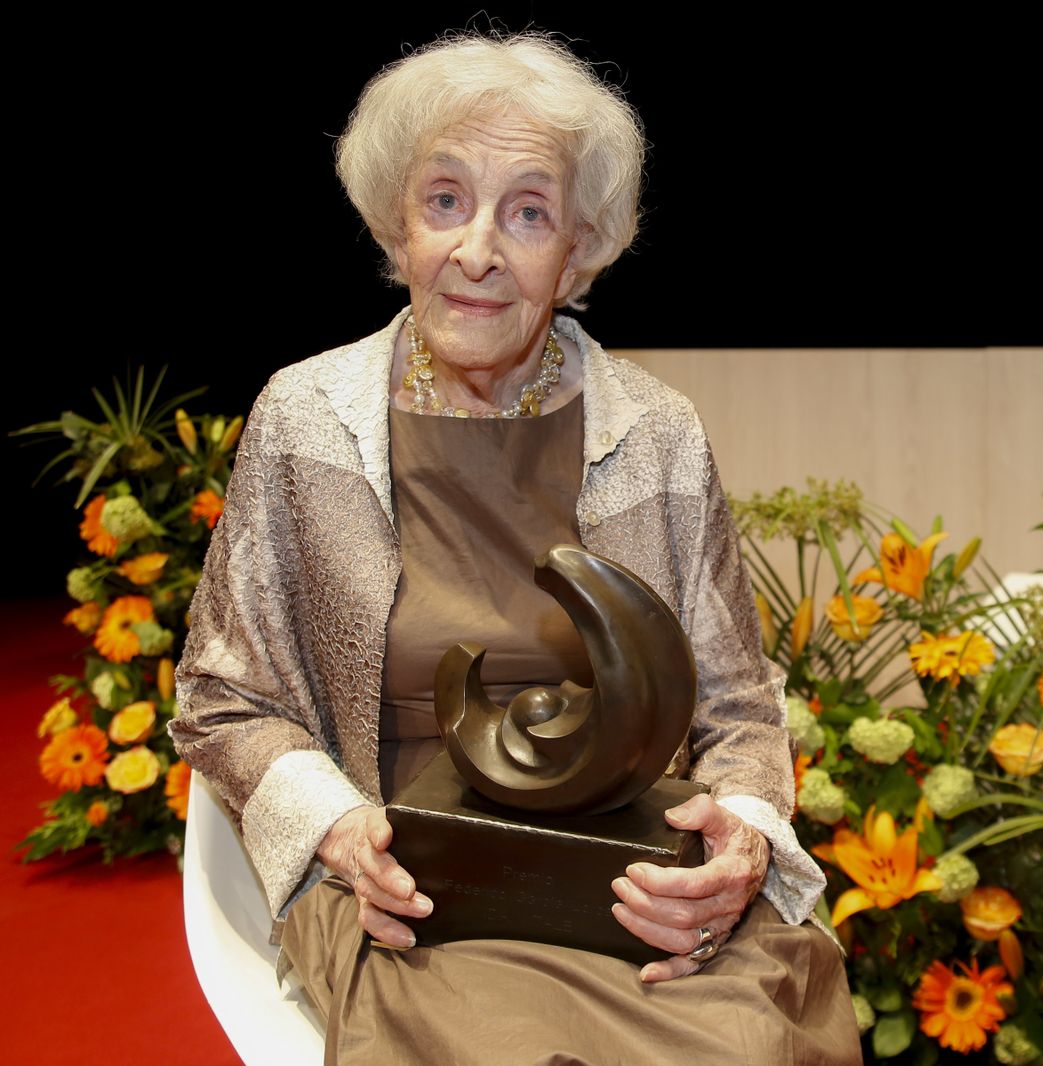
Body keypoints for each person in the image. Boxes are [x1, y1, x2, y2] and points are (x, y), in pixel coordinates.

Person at [170, 31, 860, 1064]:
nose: (478, 250)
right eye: (446, 201)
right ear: (396, 224)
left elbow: (738, 705)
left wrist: (741, 841)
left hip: (632, 878)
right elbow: (223, 697)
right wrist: (339, 831)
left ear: (577, 251)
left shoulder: (656, 432)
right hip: (412, 888)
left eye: (528, 212)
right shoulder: (307, 421)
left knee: (758, 1038)